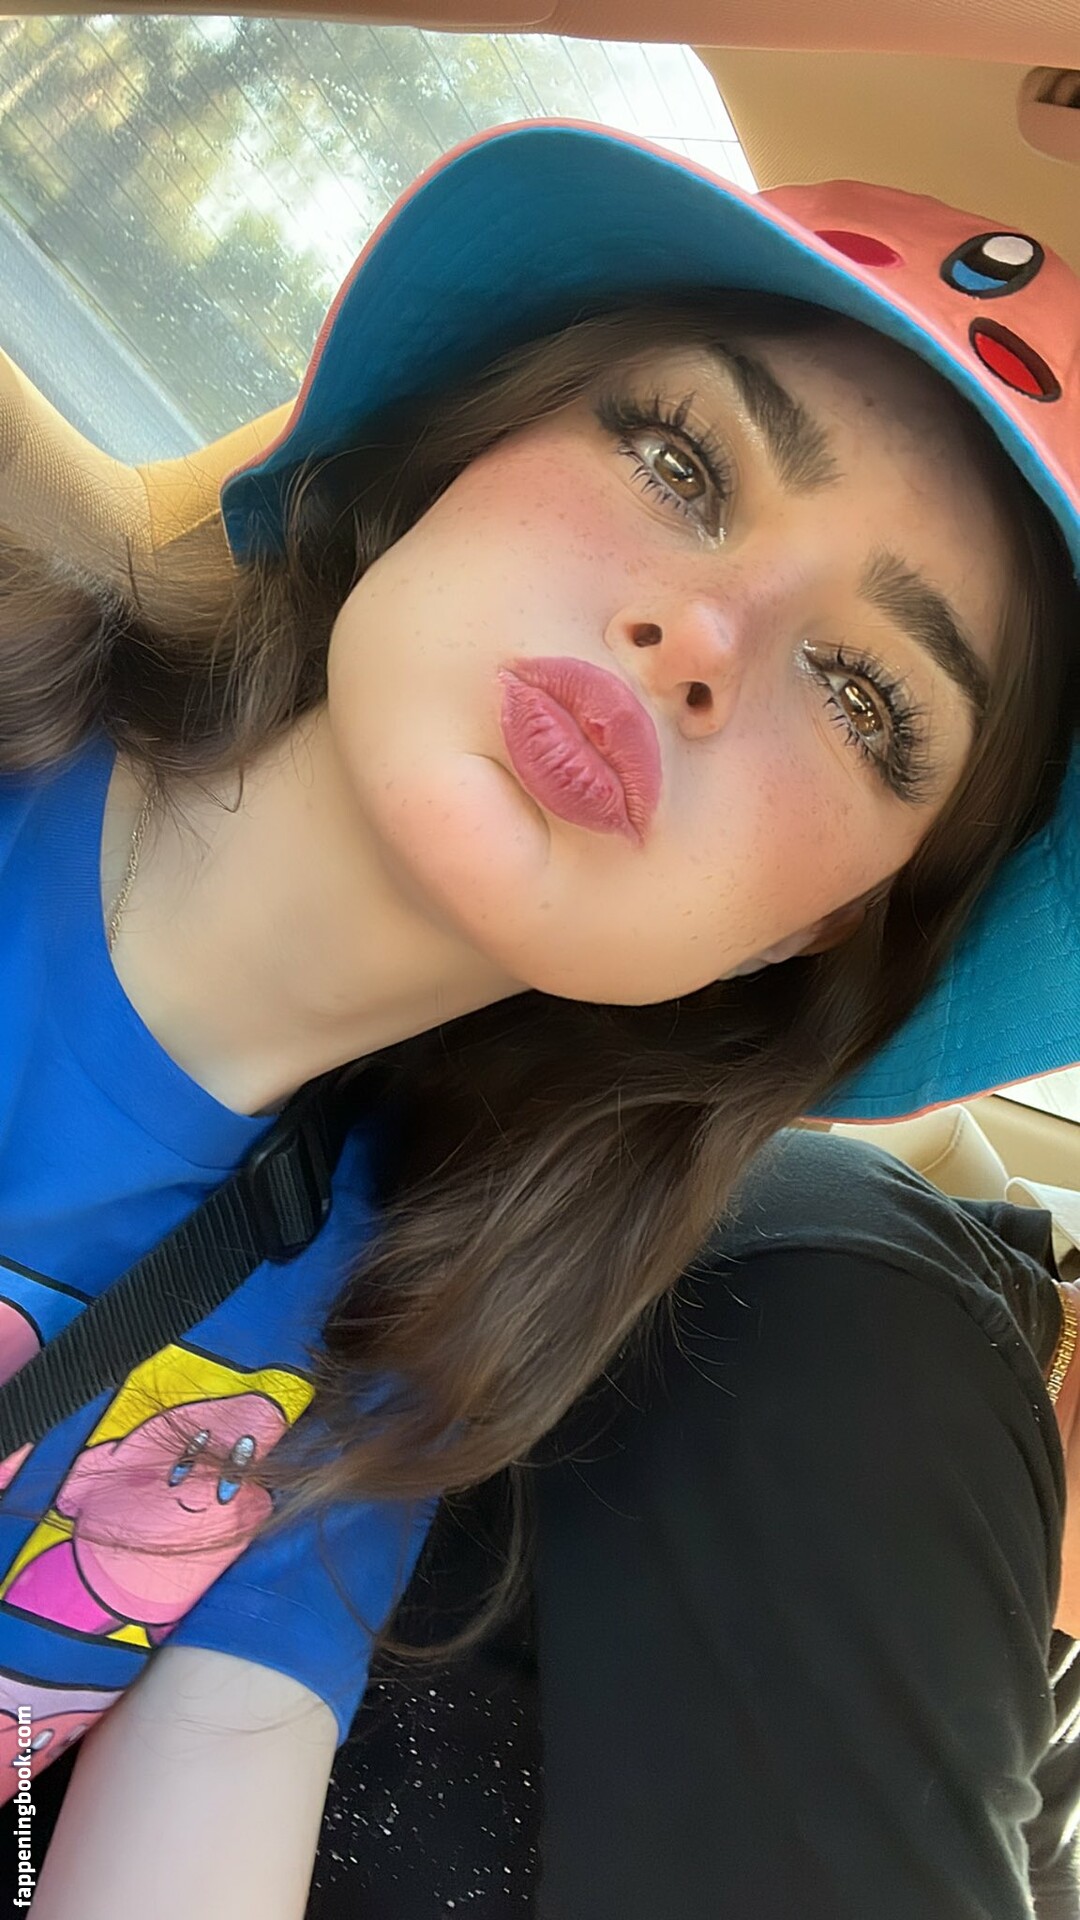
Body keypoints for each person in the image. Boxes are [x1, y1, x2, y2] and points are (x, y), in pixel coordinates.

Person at [0, 118, 1075, 1917]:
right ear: (446, 458)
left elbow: (213, 1784)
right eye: (680, 461)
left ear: (806, 936)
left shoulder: (406, 1326)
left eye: (866, 697)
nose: (705, 634)